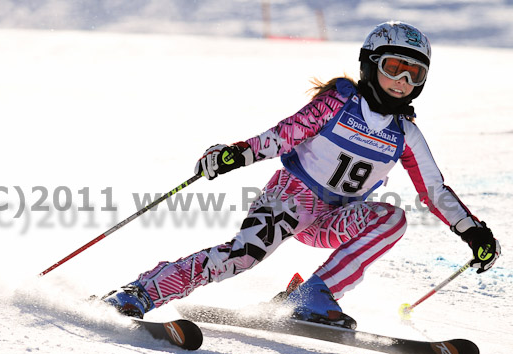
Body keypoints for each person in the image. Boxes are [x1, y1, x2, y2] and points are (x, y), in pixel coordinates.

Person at [104, 21, 500, 329]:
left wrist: (472, 231)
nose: (402, 81)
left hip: (334, 217)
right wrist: (233, 155)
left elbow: (434, 191)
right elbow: (282, 136)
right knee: (243, 257)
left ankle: (313, 295)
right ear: (370, 63)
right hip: (290, 198)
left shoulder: (405, 134)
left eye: (414, 74)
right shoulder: (340, 101)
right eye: (394, 67)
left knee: (391, 219)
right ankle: (140, 291)